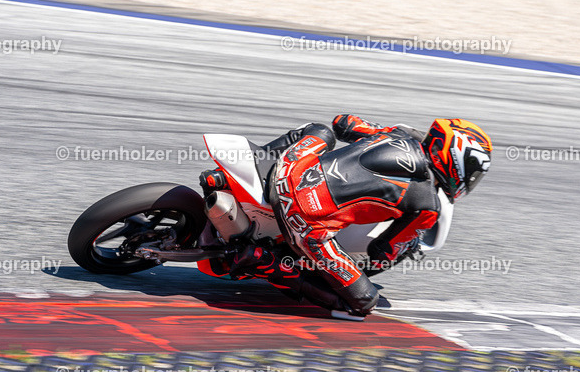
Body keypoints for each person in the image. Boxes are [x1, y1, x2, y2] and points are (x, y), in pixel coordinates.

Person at [208, 114, 492, 319]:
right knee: (365, 302)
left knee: (317, 130)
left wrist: (380, 134)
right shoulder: (427, 203)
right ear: (457, 161)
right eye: (472, 172)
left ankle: (234, 174)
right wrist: (409, 245)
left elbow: (343, 123)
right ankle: (268, 262)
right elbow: (383, 250)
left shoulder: (402, 132)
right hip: (305, 219)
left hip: (291, 167)